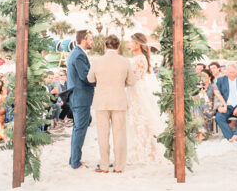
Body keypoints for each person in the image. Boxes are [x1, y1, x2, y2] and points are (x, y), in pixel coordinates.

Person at [87, 35, 136, 173]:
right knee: (119, 135)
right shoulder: (125, 61)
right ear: (118, 46)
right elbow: (131, 81)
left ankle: (104, 166)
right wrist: (121, 83)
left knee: (103, 135)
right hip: (119, 101)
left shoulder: (97, 61)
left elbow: (90, 79)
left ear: (105, 46)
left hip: (101, 102)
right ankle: (119, 167)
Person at [126, 32, 164, 164]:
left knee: (142, 119)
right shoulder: (138, 58)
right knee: (137, 120)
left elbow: (135, 77)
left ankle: (145, 151)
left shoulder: (140, 58)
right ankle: (139, 149)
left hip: (138, 90)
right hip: (135, 90)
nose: (129, 45)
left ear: (137, 44)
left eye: (131, 42)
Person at [67, 30, 95, 170]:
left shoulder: (76, 53)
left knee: (77, 129)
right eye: (90, 39)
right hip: (81, 97)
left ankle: (73, 159)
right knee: (80, 129)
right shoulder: (78, 55)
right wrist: (99, 80)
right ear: (83, 39)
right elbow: (86, 76)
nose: (92, 42)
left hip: (77, 97)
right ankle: (76, 163)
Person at [214, 63, 237, 142]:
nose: (232, 74)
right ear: (226, 72)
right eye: (230, 72)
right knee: (219, 117)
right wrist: (219, 107)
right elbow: (217, 95)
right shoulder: (220, 80)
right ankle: (230, 136)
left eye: (234, 72)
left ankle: (236, 135)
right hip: (226, 106)